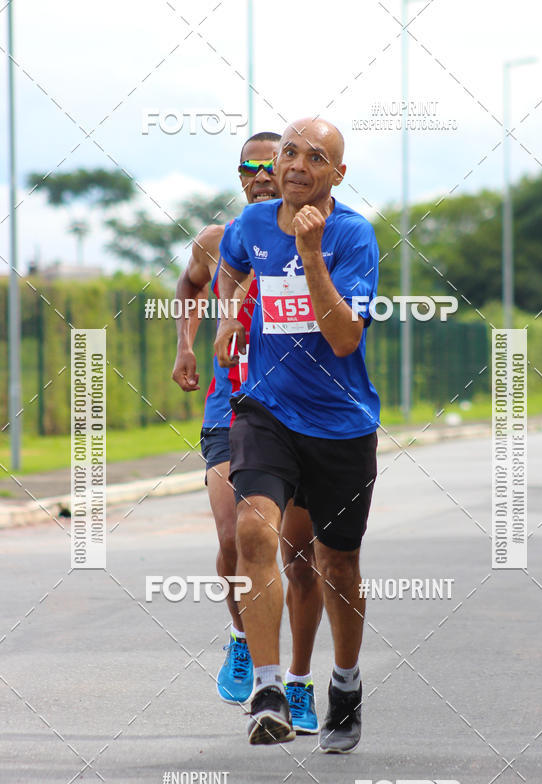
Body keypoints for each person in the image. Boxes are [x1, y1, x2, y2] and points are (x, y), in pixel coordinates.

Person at [215, 118, 380, 751]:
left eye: (317, 156)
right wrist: (231, 316)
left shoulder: (352, 236)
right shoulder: (251, 225)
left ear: (337, 174)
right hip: (266, 409)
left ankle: (344, 683)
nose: (297, 165)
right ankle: (268, 689)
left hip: (340, 423)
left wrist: (311, 257)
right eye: (289, 153)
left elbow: (343, 338)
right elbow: (230, 261)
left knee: (337, 563)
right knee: (255, 529)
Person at [171, 132, 322, 734]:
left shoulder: (312, 236)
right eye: (250, 167)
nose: (263, 174)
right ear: (239, 177)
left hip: (297, 412)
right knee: (235, 536)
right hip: (229, 406)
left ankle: (301, 681)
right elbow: (189, 283)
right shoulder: (217, 241)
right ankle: (243, 638)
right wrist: (186, 343)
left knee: (300, 556)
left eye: (273, 163)